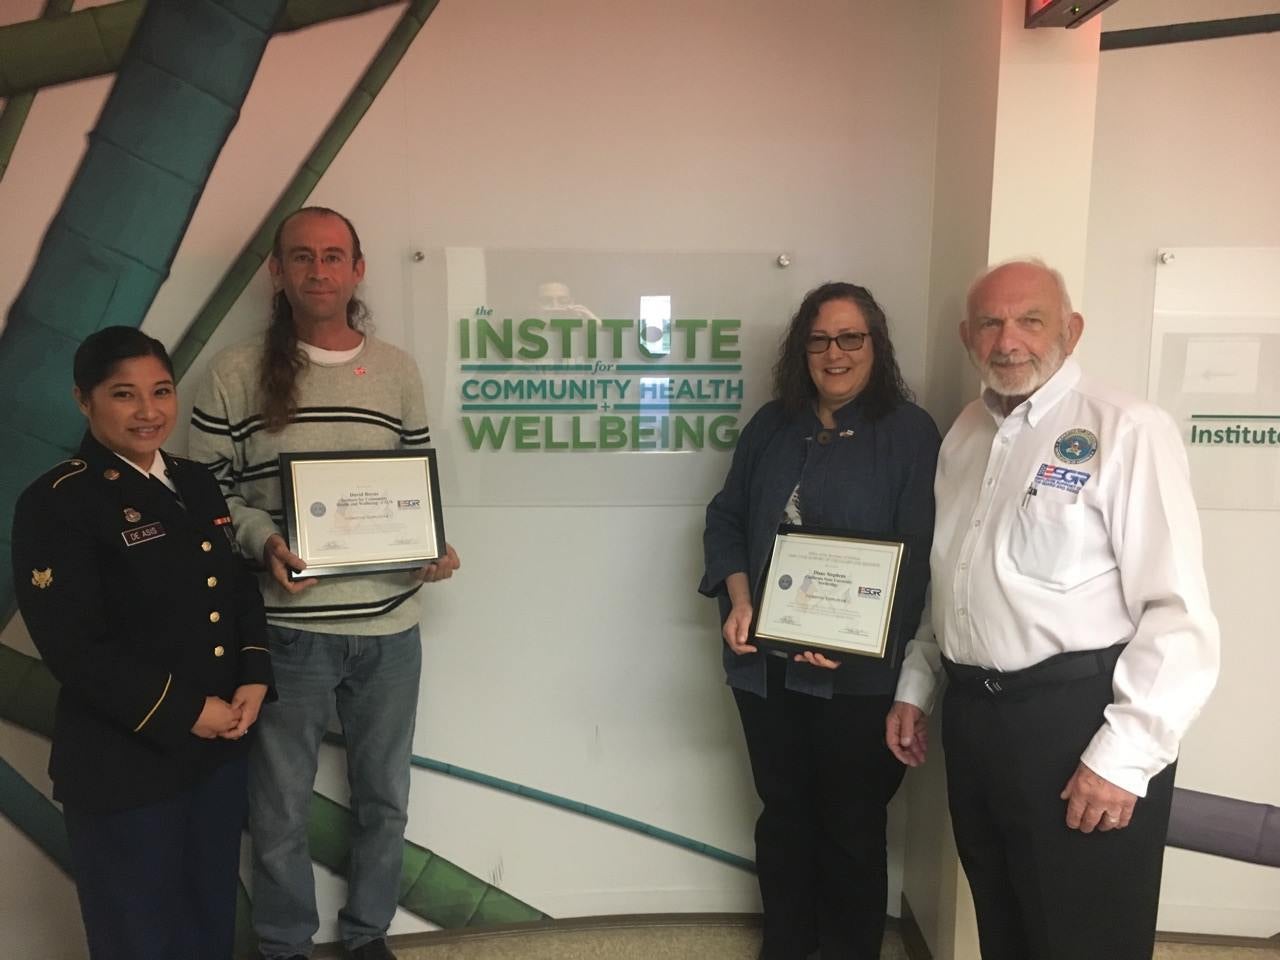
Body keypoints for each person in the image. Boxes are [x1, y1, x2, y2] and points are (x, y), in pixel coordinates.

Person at [886, 259, 1220, 959]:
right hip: (977, 720)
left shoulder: (1128, 428)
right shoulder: (966, 433)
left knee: (1085, 936)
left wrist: (1123, 758)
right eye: (990, 323)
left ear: (1071, 328)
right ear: (967, 337)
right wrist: (919, 685)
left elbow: (1177, 612)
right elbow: (951, 580)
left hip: (1077, 721)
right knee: (1005, 922)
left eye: (1030, 319)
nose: (1009, 340)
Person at [188, 207, 460, 960]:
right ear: (277, 271)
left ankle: (368, 936)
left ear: (357, 269)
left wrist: (429, 548)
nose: (319, 270)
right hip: (290, 629)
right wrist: (264, 538)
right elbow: (206, 496)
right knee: (277, 809)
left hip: (389, 633)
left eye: (334, 256)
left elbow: (414, 490)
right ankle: (283, 945)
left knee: (385, 801)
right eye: (302, 257)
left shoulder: (397, 369)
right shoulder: (235, 372)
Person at [10, 326, 271, 960]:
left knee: (208, 914)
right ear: (83, 399)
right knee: (136, 931)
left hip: (215, 752)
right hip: (122, 761)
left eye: (161, 391)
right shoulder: (57, 502)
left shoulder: (194, 481)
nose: (148, 411)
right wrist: (188, 712)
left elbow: (234, 589)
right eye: (124, 394)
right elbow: (73, 648)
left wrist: (254, 673)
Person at [701, 282, 940, 959]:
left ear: (875, 345)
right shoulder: (772, 426)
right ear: (801, 349)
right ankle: (786, 946)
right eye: (819, 340)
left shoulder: (911, 434)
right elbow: (725, 519)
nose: (834, 354)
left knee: (852, 827)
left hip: (858, 681)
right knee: (783, 818)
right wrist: (741, 598)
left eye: (850, 338)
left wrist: (859, 641)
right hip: (765, 670)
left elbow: (921, 557)